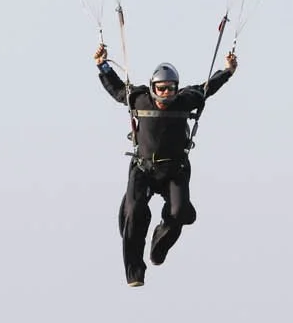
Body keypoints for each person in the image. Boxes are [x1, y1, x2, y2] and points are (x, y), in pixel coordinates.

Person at [96, 43, 236, 288]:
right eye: (161, 90)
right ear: (153, 88)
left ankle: (160, 243)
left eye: (170, 90)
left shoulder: (186, 100)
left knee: (180, 212)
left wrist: (228, 70)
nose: (165, 95)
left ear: (176, 89)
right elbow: (117, 89)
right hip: (143, 170)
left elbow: (208, 88)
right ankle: (135, 272)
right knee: (134, 213)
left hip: (175, 170)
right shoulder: (138, 98)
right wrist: (102, 65)